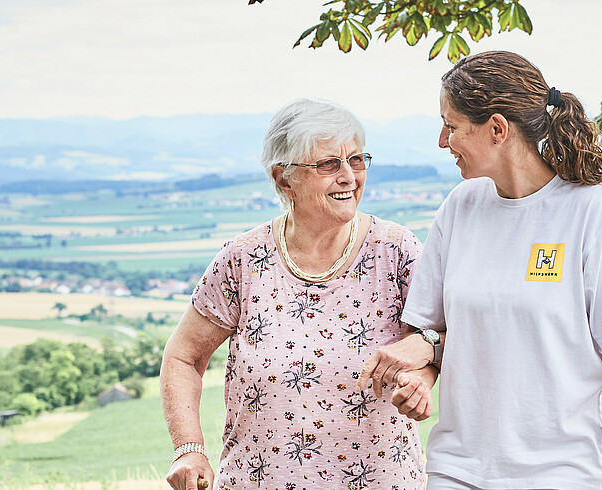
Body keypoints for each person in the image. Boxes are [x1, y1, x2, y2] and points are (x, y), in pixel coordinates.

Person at [358, 51, 602, 490]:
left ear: (497, 129)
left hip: (563, 475)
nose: (443, 142)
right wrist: (422, 378)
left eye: (451, 126)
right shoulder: (459, 208)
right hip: (457, 470)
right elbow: (436, 336)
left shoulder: (592, 211)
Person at [162, 98, 436, 490]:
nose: (348, 176)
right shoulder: (244, 258)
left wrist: (423, 377)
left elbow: (442, 338)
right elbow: (183, 356)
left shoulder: (396, 250)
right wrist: (189, 447)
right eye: (328, 164)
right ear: (284, 179)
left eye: (356, 160)